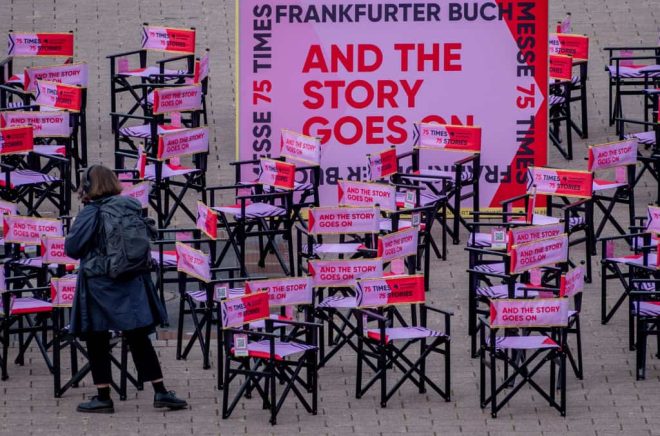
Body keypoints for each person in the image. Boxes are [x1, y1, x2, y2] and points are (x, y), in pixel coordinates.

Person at [65, 165, 187, 413]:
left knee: (96, 338)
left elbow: (73, 248)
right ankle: (161, 392)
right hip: (131, 280)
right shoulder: (129, 205)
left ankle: (103, 397)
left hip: (99, 282)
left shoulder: (91, 212)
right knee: (139, 337)